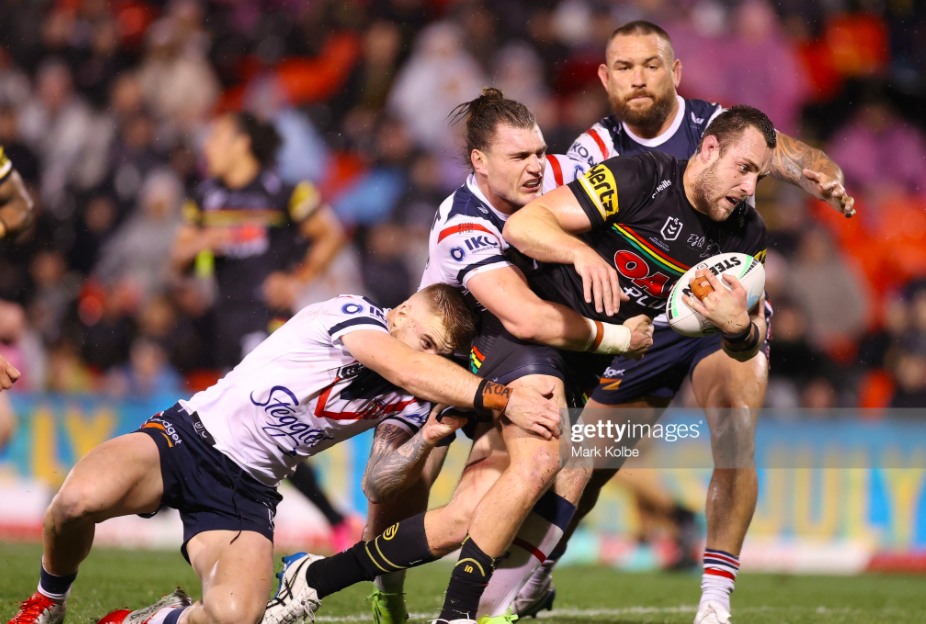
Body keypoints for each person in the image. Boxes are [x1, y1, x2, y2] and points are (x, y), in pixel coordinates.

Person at [261, 89, 653, 624]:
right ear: (479, 161)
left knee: (517, 488)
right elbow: (524, 316)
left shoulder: (561, 173)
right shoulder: (462, 225)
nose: (537, 166)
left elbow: (623, 177)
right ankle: (387, 595)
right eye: (520, 156)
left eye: (540, 152)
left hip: (510, 356)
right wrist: (619, 336)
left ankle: (493, 600)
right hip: (439, 361)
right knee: (394, 493)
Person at [509, 22, 856, 624]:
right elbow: (547, 222)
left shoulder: (719, 126)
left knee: (734, 430)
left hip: (724, 300)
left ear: (675, 72)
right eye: (624, 68)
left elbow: (796, 157)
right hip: (645, 322)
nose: (639, 79)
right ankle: (537, 572)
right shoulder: (595, 150)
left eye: (651, 65)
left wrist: (827, 178)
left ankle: (715, 601)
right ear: (605, 78)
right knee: (589, 463)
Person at [5, 284, 561, 624]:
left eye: (442, 355)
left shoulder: (413, 399)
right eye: (428, 343)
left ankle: (142, 621)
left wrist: (424, 441)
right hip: (186, 439)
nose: (430, 360)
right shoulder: (354, 314)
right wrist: (500, 396)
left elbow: (377, 483)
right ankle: (48, 601)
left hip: (246, 491)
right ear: (401, 314)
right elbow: (406, 366)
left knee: (236, 616)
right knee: (74, 502)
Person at [171, 111, 351, 543]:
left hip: (268, 323)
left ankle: (321, 519)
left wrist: (298, 279)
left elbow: (330, 234)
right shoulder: (206, 197)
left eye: (217, 136)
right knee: (254, 426)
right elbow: (178, 259)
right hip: (224, 324)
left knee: (253, 419)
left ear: (242, 143)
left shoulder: (283, 191)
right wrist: (203, 242)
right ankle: (327, 519)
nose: (207, 146)